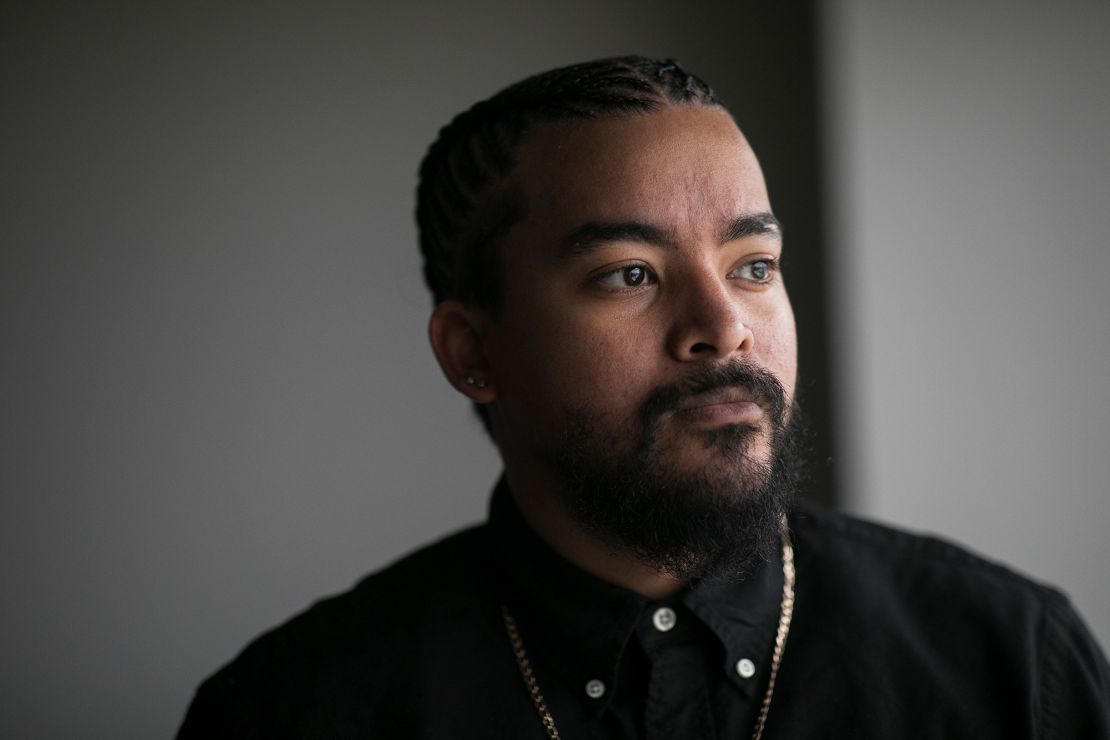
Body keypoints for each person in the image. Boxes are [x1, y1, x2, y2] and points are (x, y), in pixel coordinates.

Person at [177, 56, 1110, 739]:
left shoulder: (1011, 662)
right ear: (473, 351)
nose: (725, 326)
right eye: (630, 274)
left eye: (754, 266)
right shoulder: (291, 710)